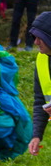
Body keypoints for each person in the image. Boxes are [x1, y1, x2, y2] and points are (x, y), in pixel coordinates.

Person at [27, 12, 51, 156]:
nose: (35, 42)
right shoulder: (41, 60)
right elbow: (40, 100)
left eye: (40, 38)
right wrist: (36, 135)